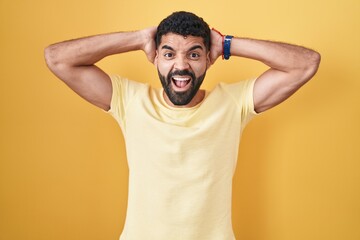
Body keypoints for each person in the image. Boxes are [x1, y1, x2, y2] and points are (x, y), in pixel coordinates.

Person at [45, 11, 320, 240]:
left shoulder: (233, 104)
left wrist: (226, 43)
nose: (181, 66)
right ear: (155, 57)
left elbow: (306, 64)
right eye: (168, 54)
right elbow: (58, 58)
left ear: (209, 59)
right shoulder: (129, 101)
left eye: (193, 54)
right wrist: (138, 39)